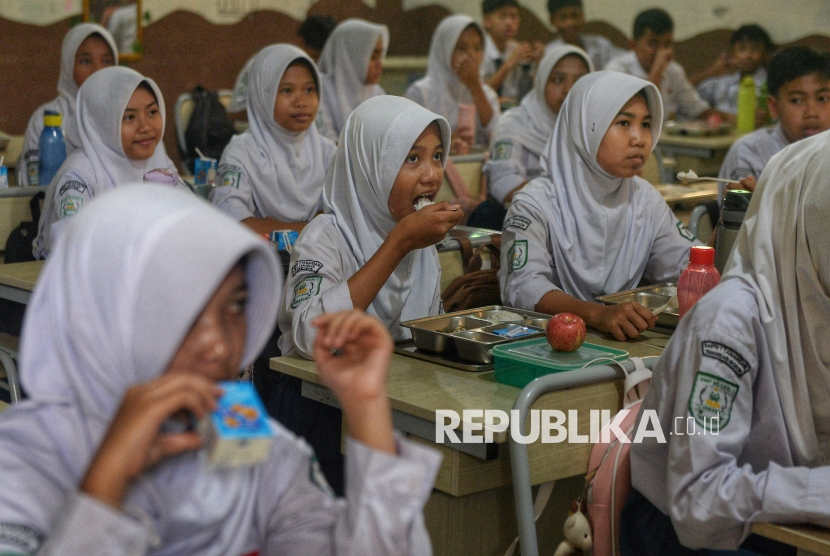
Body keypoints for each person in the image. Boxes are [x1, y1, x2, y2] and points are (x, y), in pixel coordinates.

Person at [0, 184, 441, 555]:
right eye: (182, 309)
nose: (219, 343)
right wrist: (107, 483)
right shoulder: (25, 459)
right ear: (103, 315)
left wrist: (366, 409)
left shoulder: (239, 430)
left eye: (236, 305)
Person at [621, 129, 830, 556]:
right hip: (689, 538)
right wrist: (814, 492)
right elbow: (699, 498)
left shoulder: (818, 304)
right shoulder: (729, 322)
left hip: (784, 526)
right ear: (804, 223)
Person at [273, 96, 462, 493]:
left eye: (437, 156)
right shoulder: (325, 236)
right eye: (412, 158)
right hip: (320, 416)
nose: (431, 175)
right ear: (369, 165)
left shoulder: (418, 237)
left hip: (395, 405)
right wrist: (397, 245)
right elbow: (313, 334)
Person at [499, 72, 700, 342]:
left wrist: (740, 220)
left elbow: (686, 266)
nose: (639, 138)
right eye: (624, 123)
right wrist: (597, 315)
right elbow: (524, 287)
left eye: (646, 124)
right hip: (546, 347)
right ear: (587, 128)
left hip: (623, 344)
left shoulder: (645, 199)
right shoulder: (534, 204)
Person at [34, 66, 188, 259]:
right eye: (129, 117)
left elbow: (190, 218)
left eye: (152, 112)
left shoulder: (158, 163)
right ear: (102, 122)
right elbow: (71, 245)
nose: (146, 126)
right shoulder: (80, 175)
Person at [211, 45, 335, 235]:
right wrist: (313, 229)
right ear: (263, 96)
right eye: (287, 91)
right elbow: (232, 221)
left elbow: (348, 220)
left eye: (309, 89)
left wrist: (271, 226)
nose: (301, 101)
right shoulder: (241, 153)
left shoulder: (326, 152)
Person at [484, 45, 592, 208]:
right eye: (558, 80)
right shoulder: (514, 123)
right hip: (523, 221)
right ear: (540, 82)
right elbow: (504, 185)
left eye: (579, 81)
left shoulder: (594, 126)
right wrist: (569, 199)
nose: (568, 90)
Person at [717, 47, 830, 202]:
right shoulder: (750, 153)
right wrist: (761, 205)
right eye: (796, 100)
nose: (812, 112)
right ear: (773, 107)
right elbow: (739, 222)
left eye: (823, 98)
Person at [17, 23, 117, 186]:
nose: (97, 70)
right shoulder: (45, 119)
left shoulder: (127, 115)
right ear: (68, 66)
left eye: (106, 61)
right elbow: (31, 186)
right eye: (86, 61)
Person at [604, 8, 725, 123]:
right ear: (633, 45)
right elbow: (640, 115)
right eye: (653, 44)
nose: (662, 52)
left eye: (667, 44)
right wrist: (656, 70)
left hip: (667, 141)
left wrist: (730, 119)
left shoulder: (674, 70)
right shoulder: (617, 70)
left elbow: (697, 109)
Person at [406, 14, 501, 152]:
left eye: (477, 48)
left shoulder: (487, 94)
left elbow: (500, 137)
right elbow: (408, 145)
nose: (471, 55)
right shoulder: (420, 93)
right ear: (445, 50)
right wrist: (444, 141)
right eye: (462, 48)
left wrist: (474, 86)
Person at [227, 16, 337, 115]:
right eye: (315, 56)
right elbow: (236, 113)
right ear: (300, 42)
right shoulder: (266, 62)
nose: (317, 64)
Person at [315, 19, 389, 142]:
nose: (380, 65)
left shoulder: (377, 93)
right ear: (350, 55)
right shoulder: (320, 90)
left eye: (381, 56)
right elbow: (328, 147)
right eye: (373, 56)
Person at [694, 25, 774, 114]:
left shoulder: (768, 84)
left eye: (754, 49)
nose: (748, 55)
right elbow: (688, 97)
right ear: (732, 53)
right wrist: (711, 73)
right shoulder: (723, 78)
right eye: (742, 49)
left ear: (765, 54)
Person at [479, 0, 543, 104]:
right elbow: (478, 95)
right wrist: (508, 66)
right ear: (487, 21)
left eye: (514, 17)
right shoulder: (478, 49)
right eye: (502, 16)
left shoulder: (516, 48)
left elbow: (529, 93)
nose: (509, 23)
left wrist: (538, 63)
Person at [544, 0, 623, 70]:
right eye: (563, 18)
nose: (571, 23)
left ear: (583, 16)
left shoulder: (599, 43)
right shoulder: (549, 53)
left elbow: (623, 60)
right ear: (552, 21)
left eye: (575, 15)